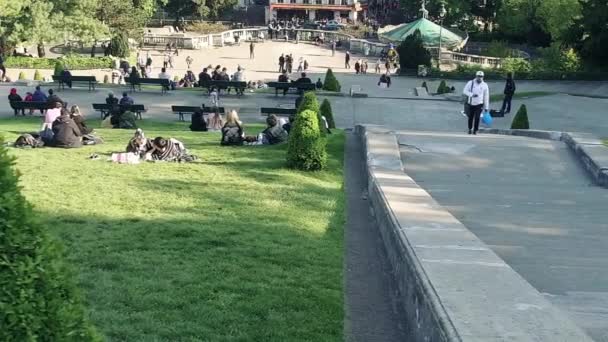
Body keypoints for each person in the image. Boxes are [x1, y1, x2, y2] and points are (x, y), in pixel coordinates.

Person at [463, 71, 490, 135]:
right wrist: (472, 94)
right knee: (471, 117)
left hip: (479, 103)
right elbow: (465, 91)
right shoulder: (471, 83)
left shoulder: (485, 85)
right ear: (476, 76)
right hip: (471, 103)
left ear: (483, 77)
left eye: (481, 77)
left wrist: (486, 107)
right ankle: (470, 128)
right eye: (478, 76)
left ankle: (475, 130)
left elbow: (486, 96)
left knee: (477, 117)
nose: (480, 78)